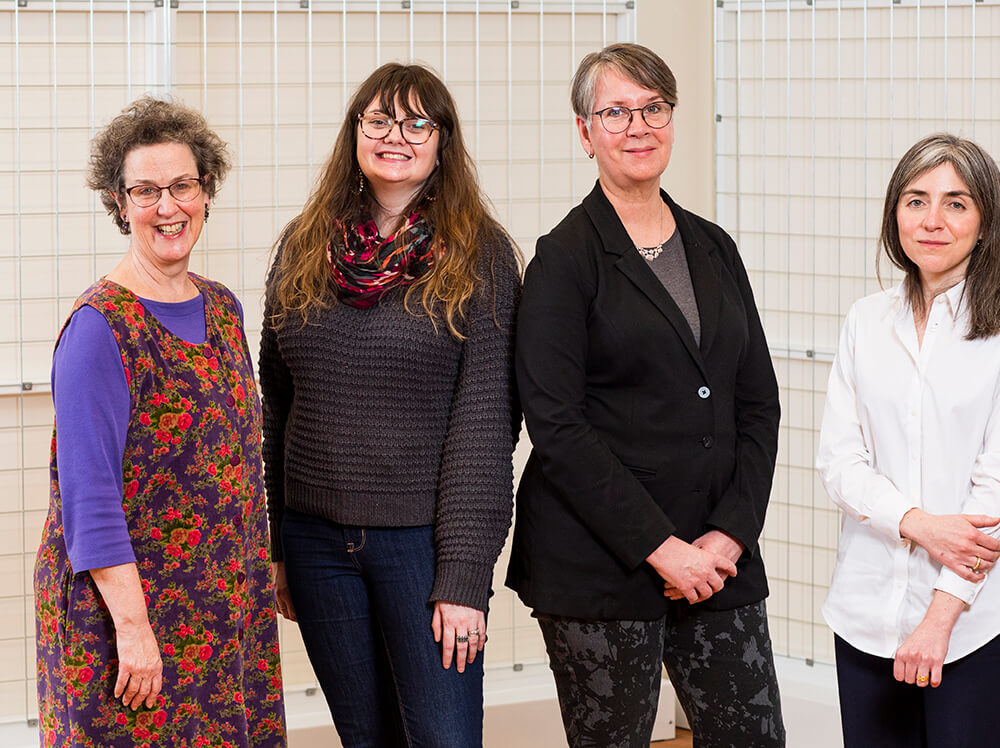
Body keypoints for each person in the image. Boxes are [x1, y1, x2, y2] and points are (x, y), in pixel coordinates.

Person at [507, 43, 786, 747]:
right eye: (616, 112)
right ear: (585, 132)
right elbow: (558, 426)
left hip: (718, 559)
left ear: (672, 118)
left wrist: (729, 535)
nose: (638, 126)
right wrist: (664, 549)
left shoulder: (715, 247)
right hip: (601, 565)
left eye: (653, 107)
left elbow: (757, 403)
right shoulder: (563, 259)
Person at [260, 62, 519, 747]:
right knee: (366, 738)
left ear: (442, 140)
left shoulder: (482, 255)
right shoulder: (302, 247)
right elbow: (277, 406)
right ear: (355, 133)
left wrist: (464, 578)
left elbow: (486, 428)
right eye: (377, 120)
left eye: (415, 122)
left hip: (424, 551)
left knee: (443, 738)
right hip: (315, 545)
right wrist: (279, 544)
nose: (394, 136)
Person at [33, 97, 286, 746]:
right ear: (119, 204)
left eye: (182, 185)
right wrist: (133, 629)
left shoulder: (224, 309)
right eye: (146, 191)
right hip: (131, 616)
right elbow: (89, 499)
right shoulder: (100, 329)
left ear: (206, 189)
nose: (167, 207)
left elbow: (239, 462)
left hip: (222, 610)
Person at [817, 133, 1000, 746]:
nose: (932, 221)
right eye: (915, 199)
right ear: (893, 213)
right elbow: (840, 463)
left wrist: (938, 620)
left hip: (975, 624)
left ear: (985, 223)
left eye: (956, 203)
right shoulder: (866, 321)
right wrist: (919, 523)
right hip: (865, 615)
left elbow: (997, 492)